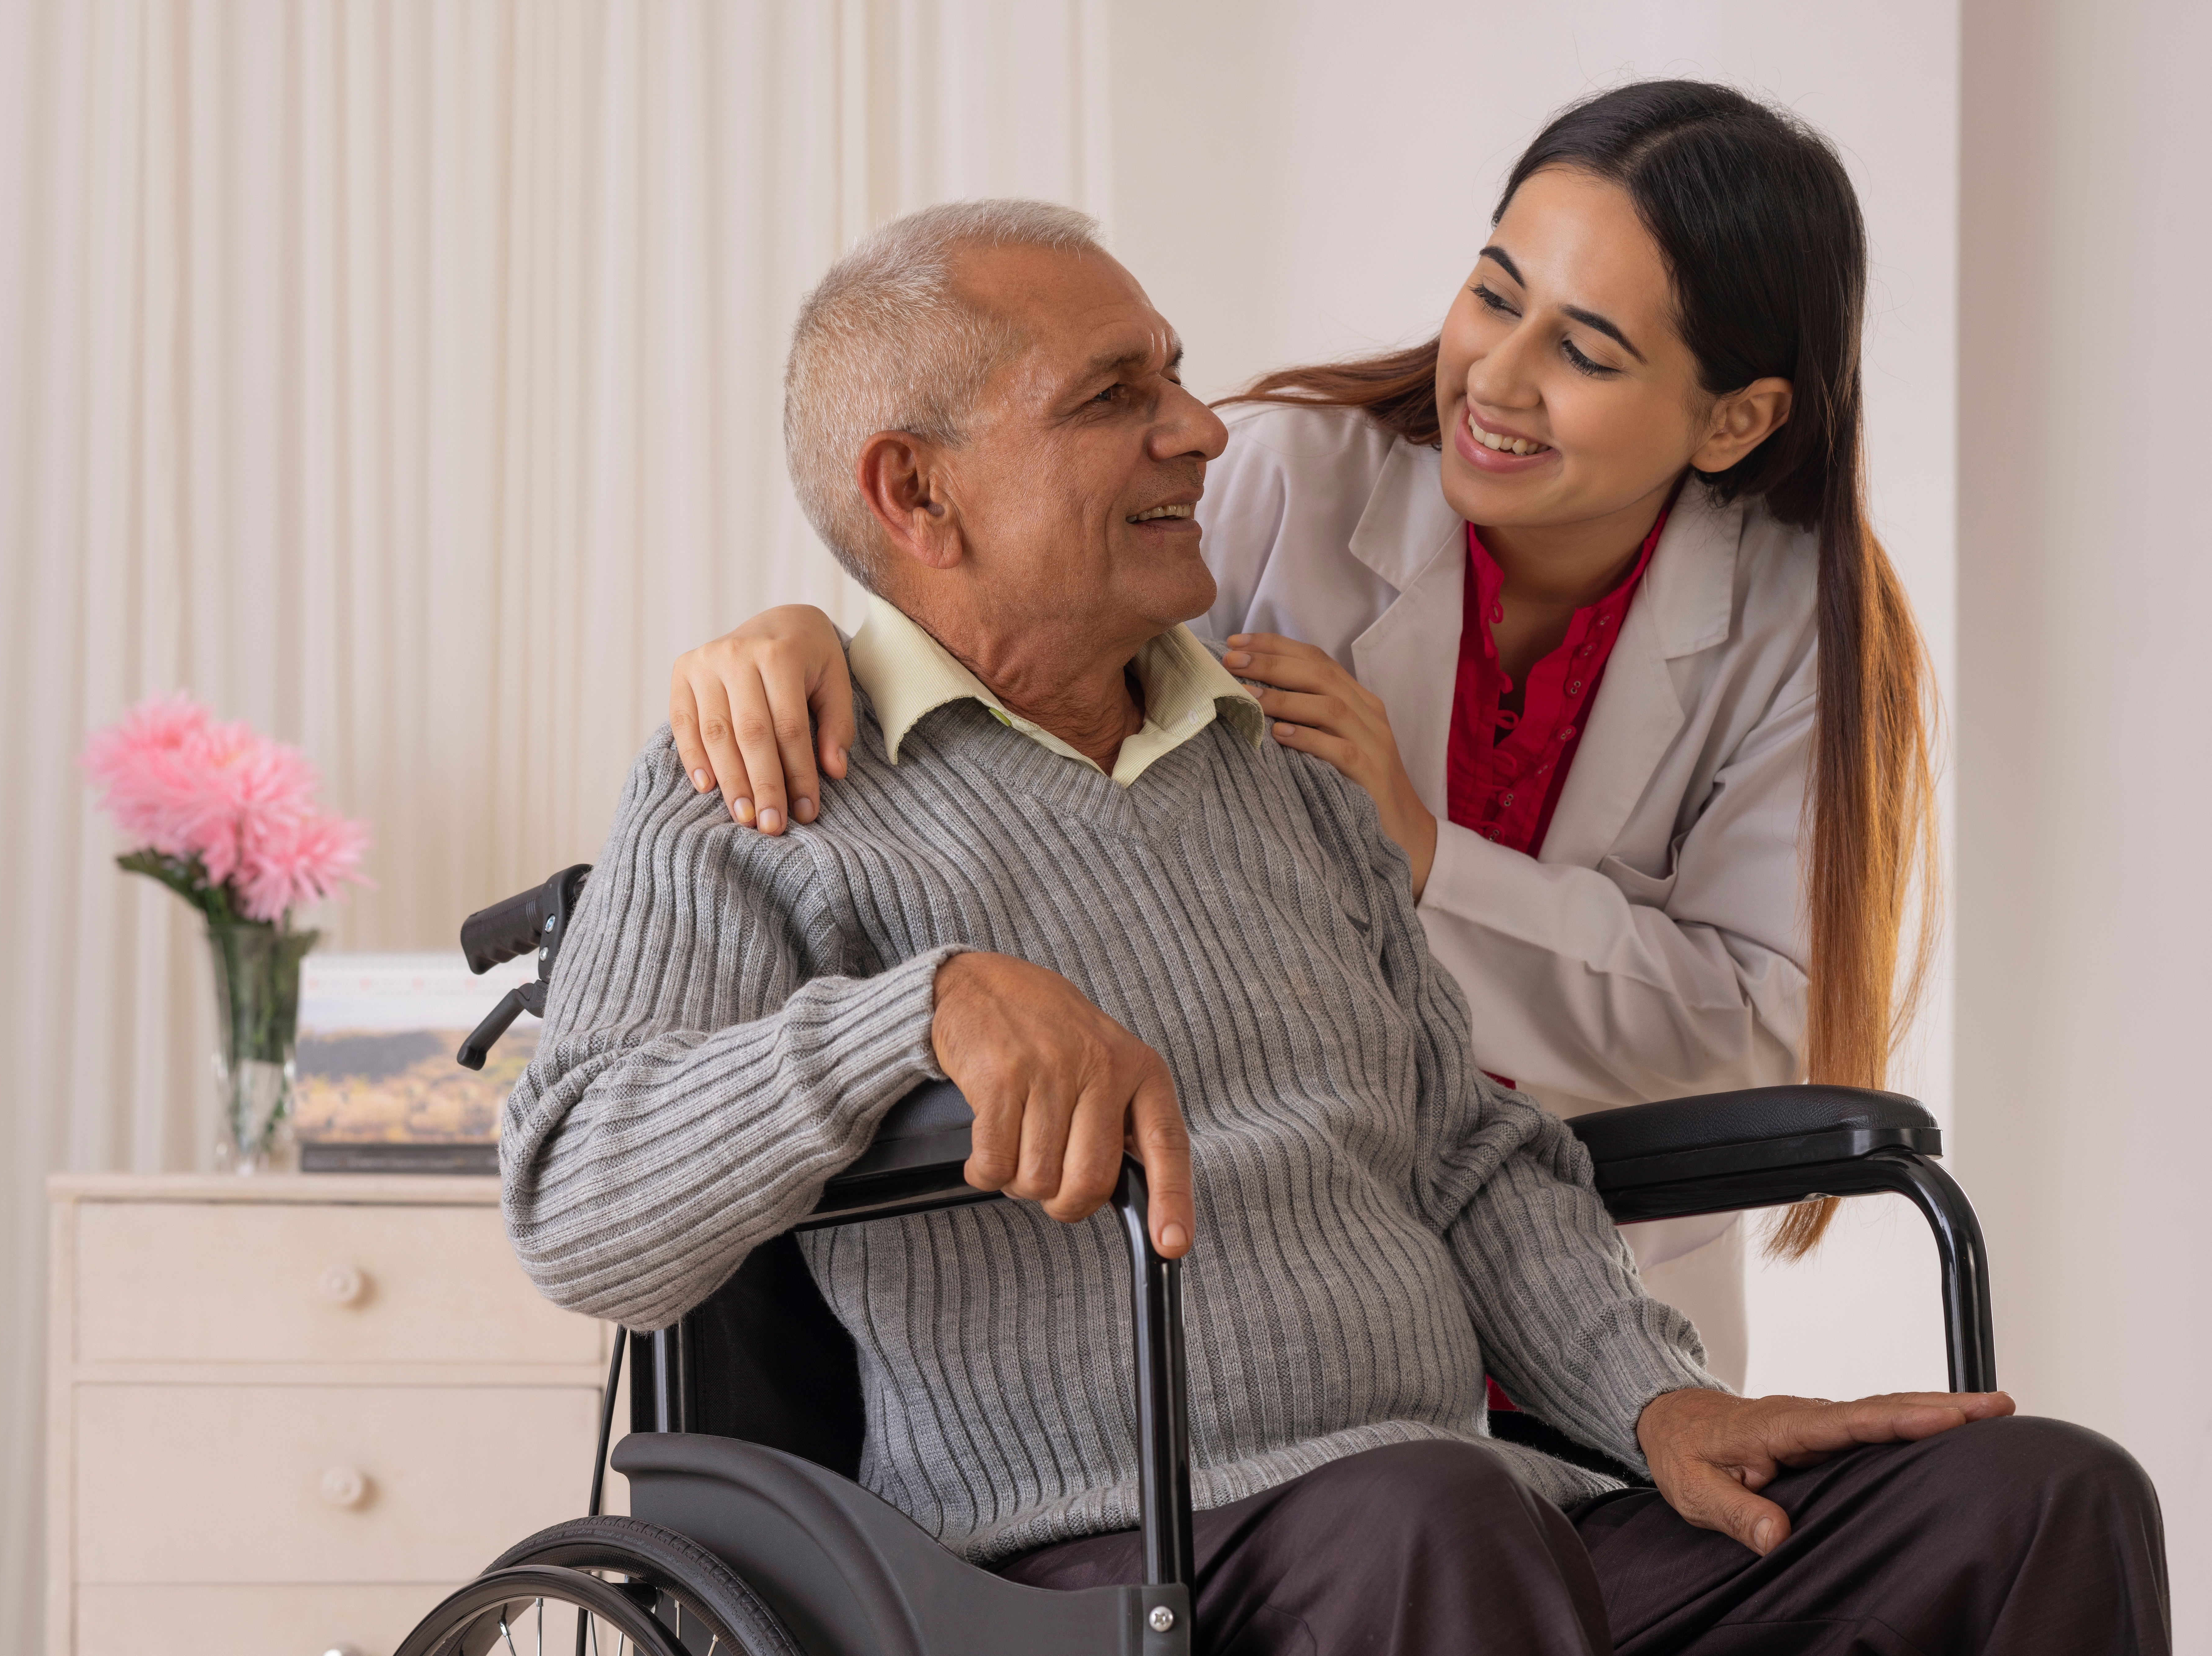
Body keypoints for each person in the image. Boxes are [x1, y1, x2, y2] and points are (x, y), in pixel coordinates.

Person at [505, 200, 2168, 1651]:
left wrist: (1654, 1401)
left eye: (1174, 373)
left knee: (2035, 1498)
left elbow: (1469, 1152)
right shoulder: (765, 783)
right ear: (917, 495)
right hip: (1106, 1553)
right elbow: (576, 1202)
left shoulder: (1280, 766)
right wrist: (912, 1015)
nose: (1201, 432)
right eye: (1116, 399)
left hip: (1464, 1512)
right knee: (1433, 1524)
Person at [657, 82, 1940, 1389]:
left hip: (1596, 1277)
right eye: (1495, 295)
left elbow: (1761, 1034)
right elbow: (1005, 648)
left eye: (1585, 353)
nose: (1493, 379)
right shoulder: (1280, 484)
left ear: (1735, 418)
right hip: (1277, 1268)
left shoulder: (1803, 624)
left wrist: (1421, 859)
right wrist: (822, 636)